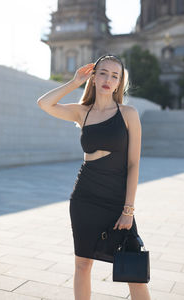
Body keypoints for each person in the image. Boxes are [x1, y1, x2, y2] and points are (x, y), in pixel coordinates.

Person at [37, 54, 151, 300]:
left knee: (133, 272)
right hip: (85, 198)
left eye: (115, 75)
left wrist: (128, 210)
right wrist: (73, 82)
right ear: (93, 77)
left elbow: (133, 164)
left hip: (117, 200)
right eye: (103, 73)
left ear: (120, 82)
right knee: (82, 265)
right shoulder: (82, 112)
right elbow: (44, 103)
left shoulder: (129, 114)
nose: (108, 79)